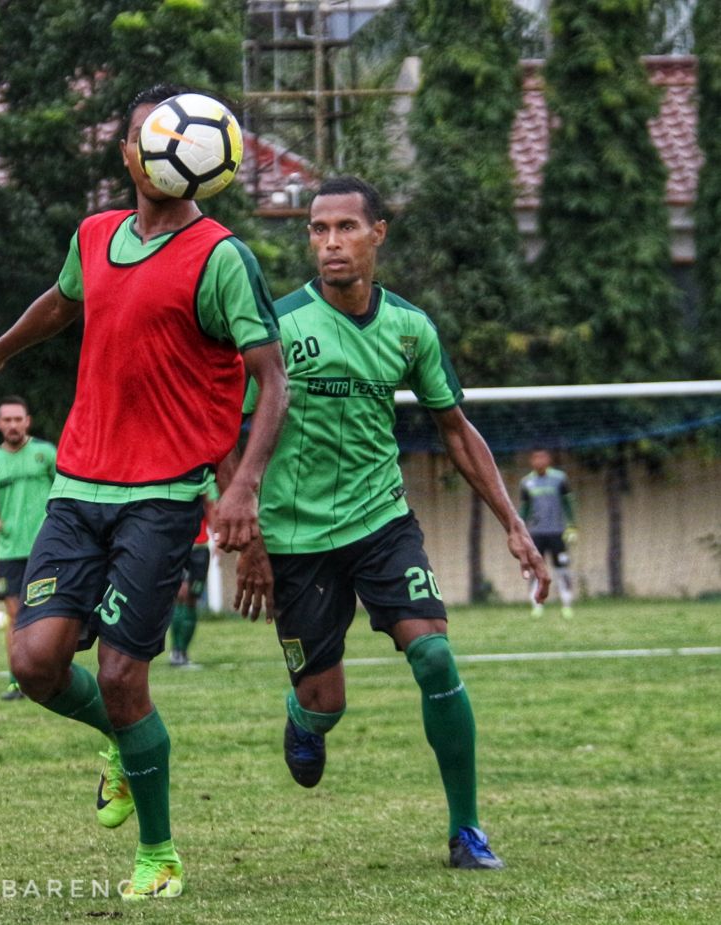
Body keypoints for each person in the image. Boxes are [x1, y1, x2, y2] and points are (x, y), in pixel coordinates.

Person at [0, 85, 289, 901]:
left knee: (125, 674)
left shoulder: (221, 258)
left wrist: (241, 487)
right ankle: (123, 745)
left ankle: (160, 854)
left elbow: (271, 383)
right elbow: (62, 303)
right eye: (144, 133)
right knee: (33, 661)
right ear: (130, 153)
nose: (156, 143)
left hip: (163, 496)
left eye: (168, 131)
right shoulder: (95, 235)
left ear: (202, 158)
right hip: (79, 485)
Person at [230, 176, 551, 871]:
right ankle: (305, 712)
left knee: (434, 654)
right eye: (318, 229)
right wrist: (248, 531)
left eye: (345, 227)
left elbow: (457, 430)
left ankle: (466, 831)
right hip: (295, 536)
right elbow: (226, 432)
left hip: (381, 519)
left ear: (378, 234)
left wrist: (514, 525)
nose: (330, 242)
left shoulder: (410, 327)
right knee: (326, 703)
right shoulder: (278, 326)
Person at [0, 396, 57, 699]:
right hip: (9, 551)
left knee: (48, 616)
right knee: (16, 615)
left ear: (27, 421)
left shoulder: (46, 454)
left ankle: (50, 676)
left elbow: (66, 492)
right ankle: (16, 679)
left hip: (46, 550)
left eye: (17, 419)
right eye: (6, 420)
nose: (12, 425)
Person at [519, 448, 577, 618]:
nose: (539, 461)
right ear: (531, 461)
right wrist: (520, 531)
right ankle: (536, 605)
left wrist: (572, 525)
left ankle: (566, 604)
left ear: (548, 459)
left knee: (562, 568)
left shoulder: (559, 479)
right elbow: (524, 509)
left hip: (557, 532)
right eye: (536, 458)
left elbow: (568, 503)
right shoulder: (526, 482)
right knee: (536, 569)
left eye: (542, 457)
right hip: (536, 534)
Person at [168, 490, 216, 668]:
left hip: (199, 547)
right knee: (180, 594)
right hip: (177, 545)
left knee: (190, 599)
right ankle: (176, 652)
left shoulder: (205, 477)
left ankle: (181, 652)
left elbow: (211, 506)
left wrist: (217, 536)